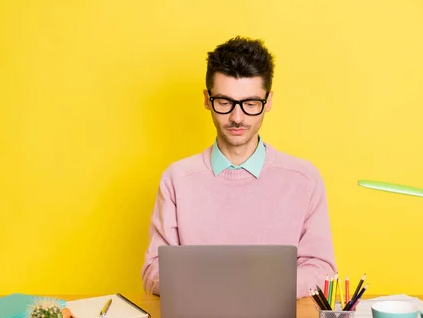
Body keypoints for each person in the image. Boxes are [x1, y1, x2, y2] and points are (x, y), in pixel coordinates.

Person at [141, 36, 337, 299]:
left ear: (268, 102)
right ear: (207, 100)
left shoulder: (304, 179)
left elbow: (322, 268)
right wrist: (216, 287)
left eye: (251, 104)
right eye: (224, 102)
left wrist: (259, 287)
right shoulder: (176, 179)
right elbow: (153, 270)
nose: (237, 117)